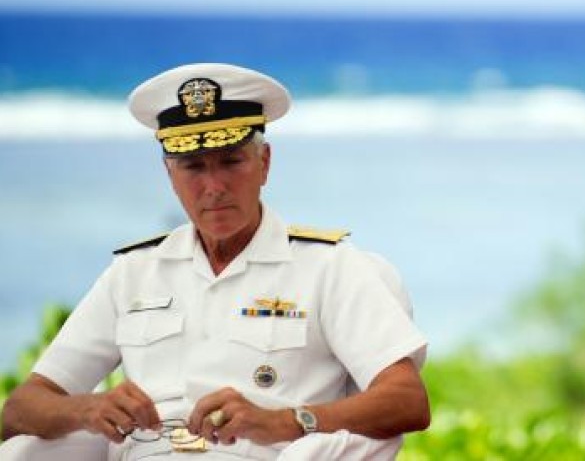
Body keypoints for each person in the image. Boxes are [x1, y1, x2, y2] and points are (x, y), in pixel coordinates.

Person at [0, 63, 430, 460]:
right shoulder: (135, 272)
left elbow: (407, 400)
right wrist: (87, 409)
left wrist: (287, 421)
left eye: (231, 161)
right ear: (170, 175)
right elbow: (21, 409)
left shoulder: (326, 266)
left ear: (264, 163)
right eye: (192, 166)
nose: (214, 185)